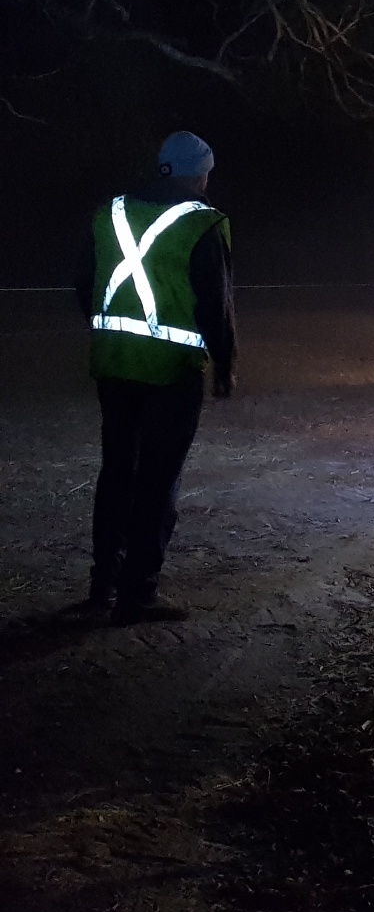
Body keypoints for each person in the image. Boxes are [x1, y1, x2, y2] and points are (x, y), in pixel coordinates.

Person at [74, 131, 236, 618]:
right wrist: (224, 366)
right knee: (157, 480)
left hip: (114, 365)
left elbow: (85, 281)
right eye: (207, 171)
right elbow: (216, 303)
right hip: (172, 372)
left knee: (117, 473)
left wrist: (110, 333)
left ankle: (102, 587)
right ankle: (138, 593)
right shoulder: (205, 223)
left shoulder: (112, 211)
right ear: (198, 174)